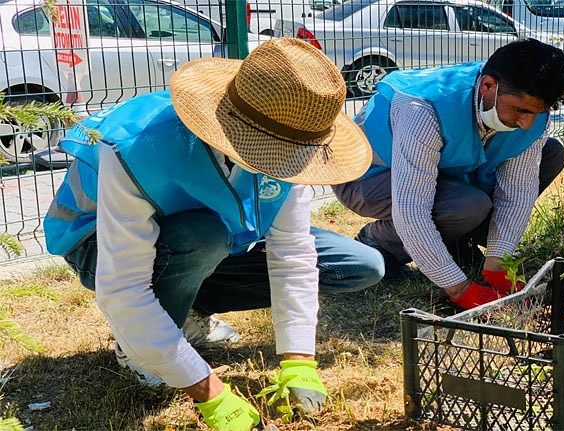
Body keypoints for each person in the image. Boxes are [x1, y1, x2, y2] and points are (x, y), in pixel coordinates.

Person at [43, 38, 384, 430]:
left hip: (209, 245)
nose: (278, 165)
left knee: (359, 264)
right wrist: (208, 390)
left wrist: (299, 359)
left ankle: (187, 310)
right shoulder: (137, 148)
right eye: (269, 153)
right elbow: (123, 287)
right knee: (202, 236)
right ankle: (138, 346)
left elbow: (292, 251)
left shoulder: (294, 137)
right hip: (98, 248)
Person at [333, 38, 564, 310]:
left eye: (537, 113)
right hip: (368, 176)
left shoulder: (529, 114)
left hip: (450, 172)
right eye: (520, 110)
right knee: (467, 205)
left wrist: (498, 264)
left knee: (550, 153)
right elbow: (412, 210)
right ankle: (379, 243)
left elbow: (517, 191)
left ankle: (459, 240)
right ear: (488, 86)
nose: (527, 122)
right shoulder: (422, 109)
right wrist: (459, 288)